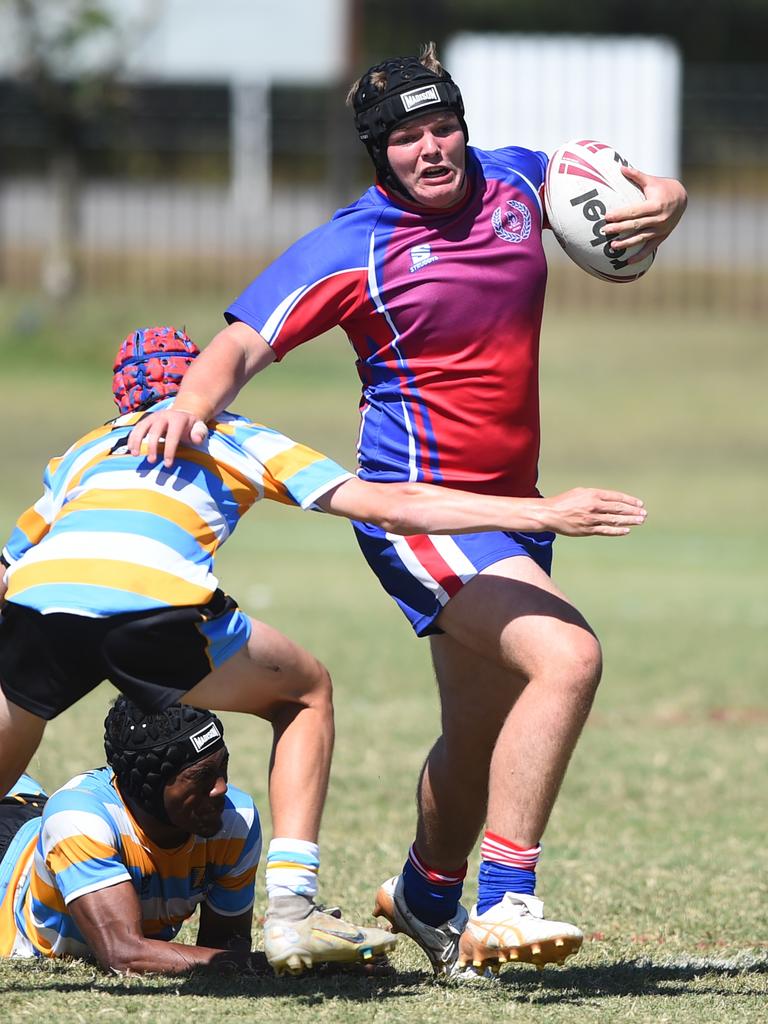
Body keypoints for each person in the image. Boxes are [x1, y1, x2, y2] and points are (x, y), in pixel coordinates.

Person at [126, 45, 685, 978]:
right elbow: (241, 340)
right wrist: (192, 401)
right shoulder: (355, 244)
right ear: (377, 153)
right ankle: (504, 905)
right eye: (408, 138)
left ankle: (424, 895)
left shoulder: (515, 180)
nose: (434, 150)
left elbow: (625, 184)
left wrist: (667, 198)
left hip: (503, 509)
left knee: (481, 733)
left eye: (444, 127)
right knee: (568, 657)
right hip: (418, 518)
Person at [0, 325, 646, 976]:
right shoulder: (237, 434)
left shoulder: (84, 452)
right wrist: (542, 513)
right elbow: (391, 506)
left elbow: (9, 562)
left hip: (36, 603)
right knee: (303, 694)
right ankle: (292, 911)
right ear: (208, 381)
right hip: (156, 599)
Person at [0, 698, 268, 973]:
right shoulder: (77, 819)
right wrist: (271, 966)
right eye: (202, 776)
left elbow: (224, 949)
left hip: (45, 827)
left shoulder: (235, 820)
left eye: (223, 766)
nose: (221, 788)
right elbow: (124, 955)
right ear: (151, 785)